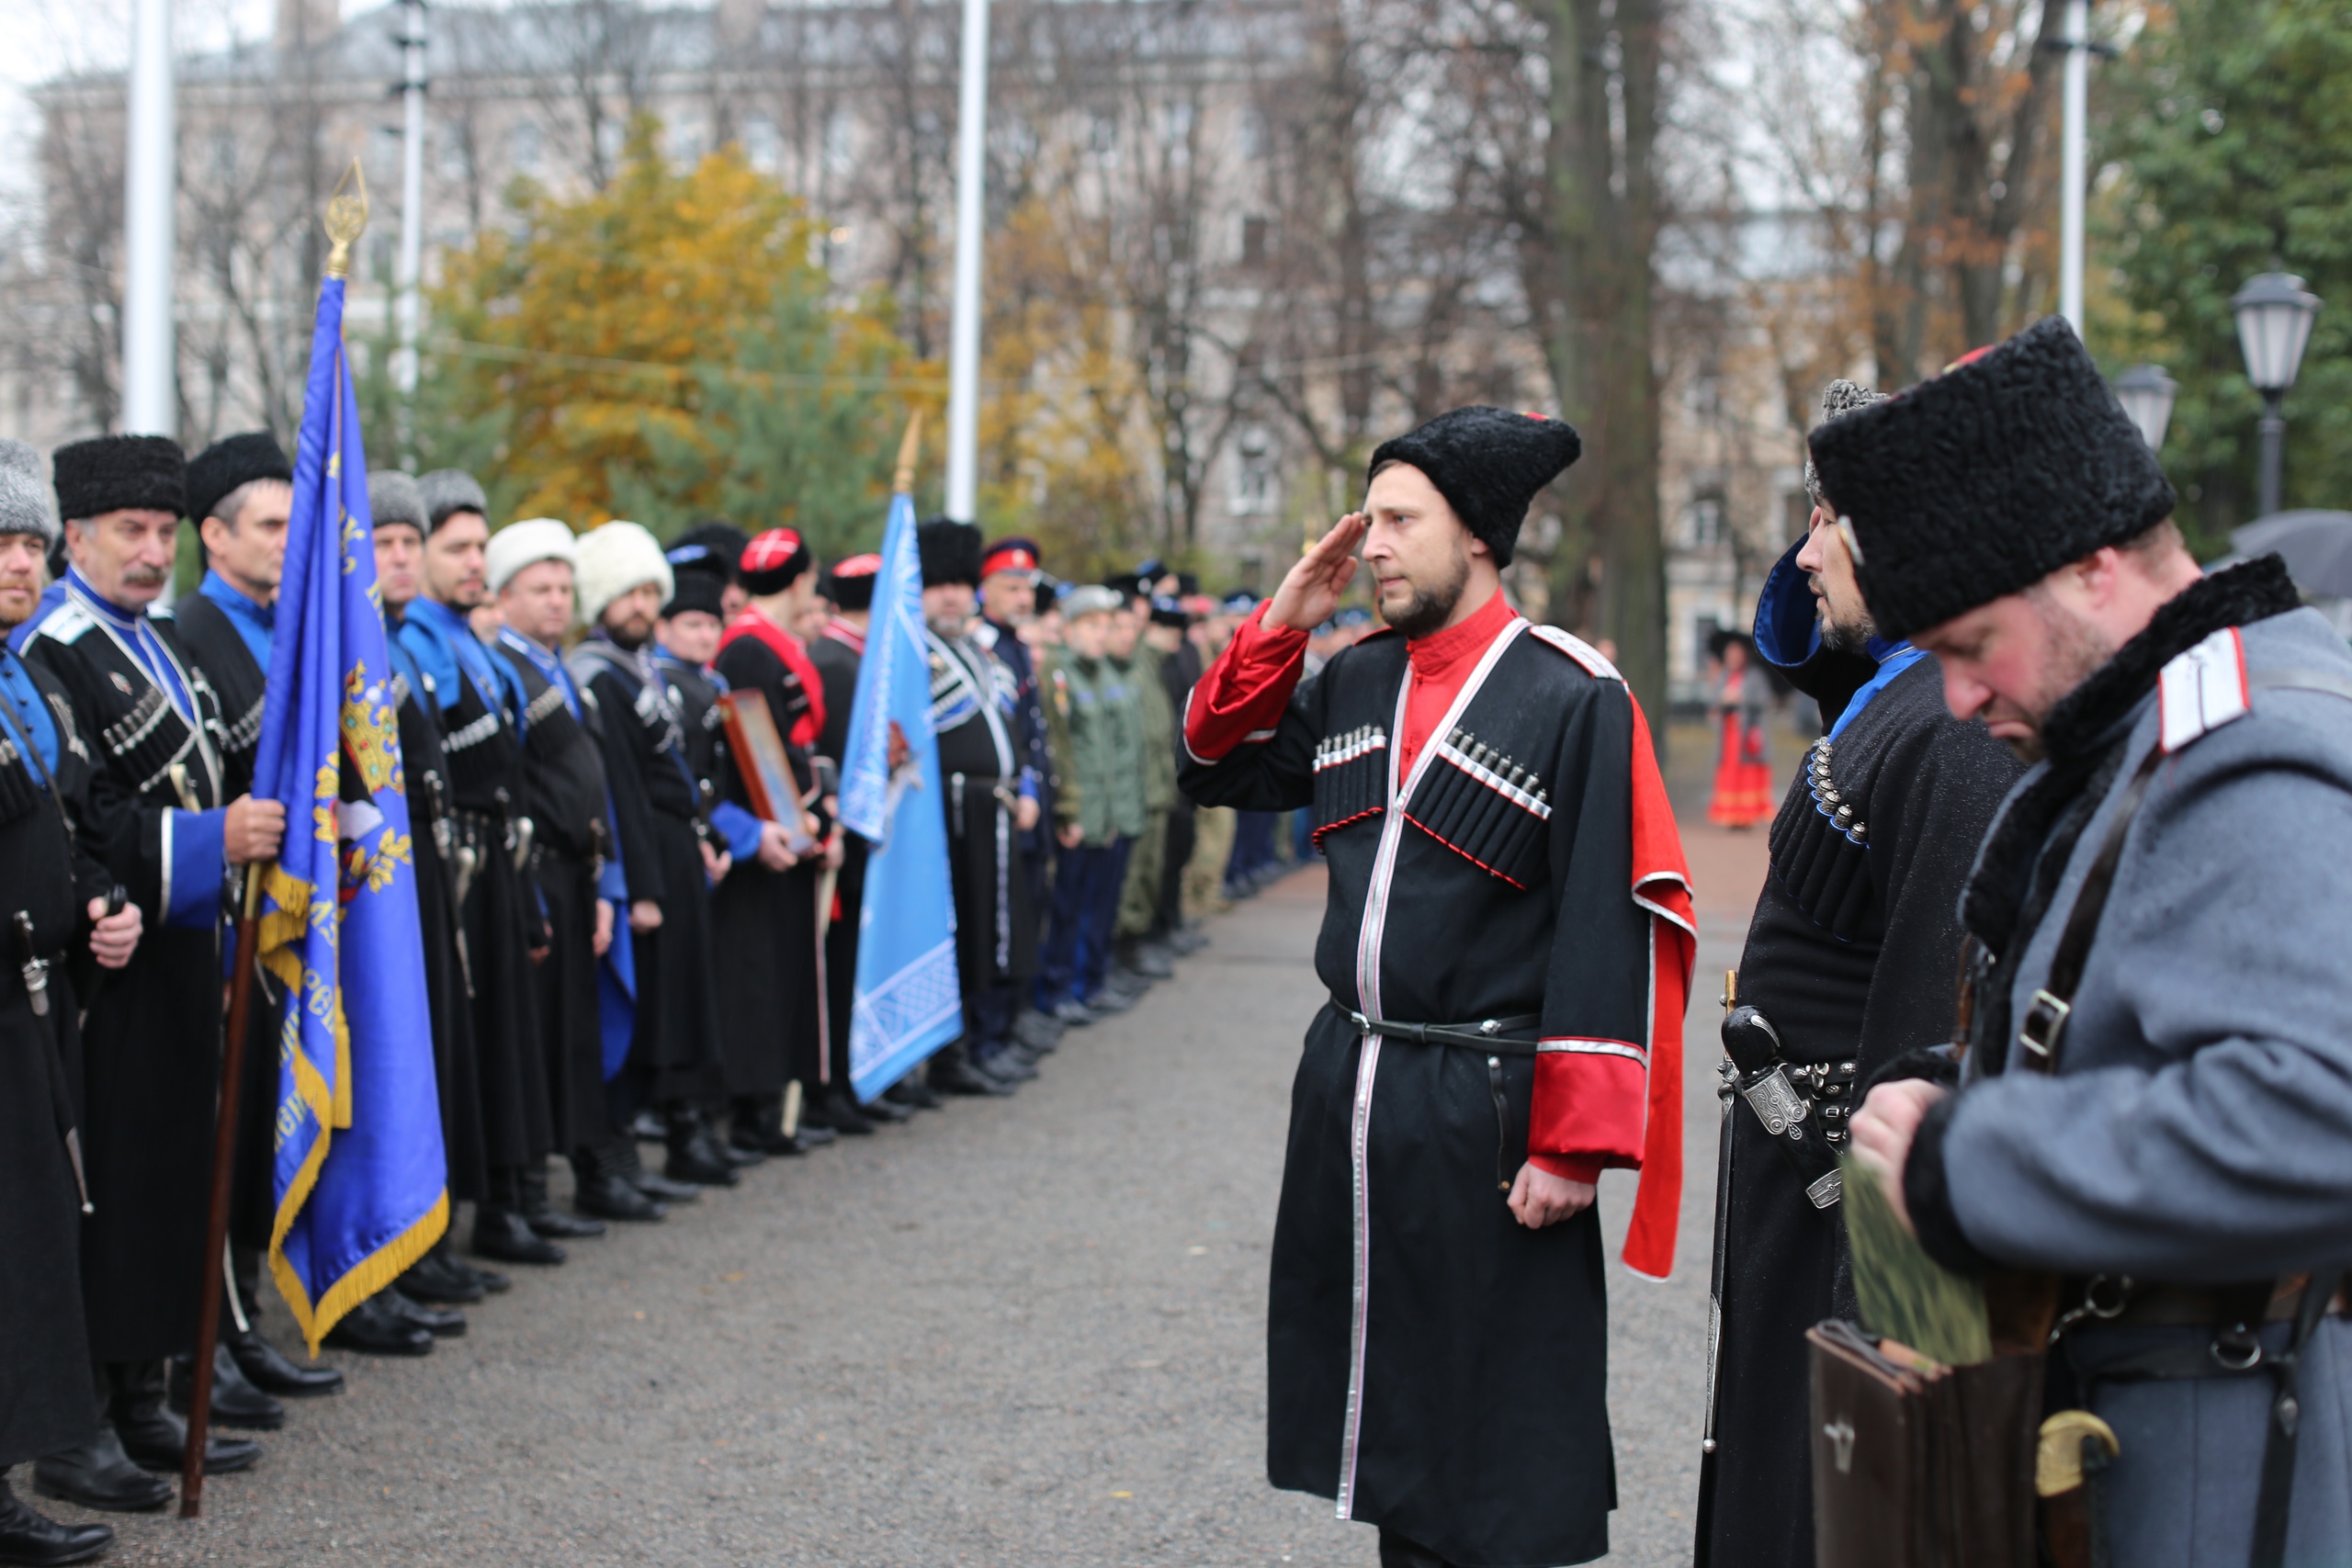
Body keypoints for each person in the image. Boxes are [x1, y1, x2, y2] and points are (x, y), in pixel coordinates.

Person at [1835, 317, 2352, 1568]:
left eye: (1970, 645)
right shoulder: (2154, 734)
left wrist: (1974, 1157)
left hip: (2208, 1478)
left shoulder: (2248, 750)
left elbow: (2319, 1113)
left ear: (2095, 566)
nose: (1957, 695)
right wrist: (1967, 1089)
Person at [1180, 406, 1693, 1568]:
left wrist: (1573, 1144)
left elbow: (1601, 926)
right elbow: (1213, 769)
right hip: (1356, 1087)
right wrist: (1278, 629)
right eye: (1370, 523)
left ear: (1477, 539)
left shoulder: (1574, 695)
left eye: (1400, 521)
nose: (1371, 546)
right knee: (1391, 1417)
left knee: (1496, 1436)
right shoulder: (1354, 676)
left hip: (1491, 1106)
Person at [1693, 382, 2022, 1568]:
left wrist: (1899, 1314)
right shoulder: (1893, 686)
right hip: (1794, 1175)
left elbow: (1928, 1024)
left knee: (1843, 1481)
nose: (1805, 547)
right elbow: (1806, 638)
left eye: (1829, 517)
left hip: (1846, 1188)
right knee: (1772, 1452)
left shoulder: (1945, 724)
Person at [16, 434, 271, 1498]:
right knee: (115, 1185)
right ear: (73, 536)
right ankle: (99, 1415)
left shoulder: (160, 639)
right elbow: (93, 815)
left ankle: (146, 1397)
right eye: (130, 530)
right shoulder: (56, 646)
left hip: (179, 944)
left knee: (172, 1171)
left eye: (164, 532)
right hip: (107, 960)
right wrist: (215, 843)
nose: (150, 551)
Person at [164, 431, 340, 1422]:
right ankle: (211, 1342)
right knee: (220, 1142)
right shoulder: (194, 631)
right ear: (215, 536)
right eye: (271, 525)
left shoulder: (287, 627)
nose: (288, 541)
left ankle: (246, 1319)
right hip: (227, 929)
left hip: (296, 926)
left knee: (265, 1129)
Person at [0, 439, 147, 1557]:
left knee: (31, 1242)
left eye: (27, 543)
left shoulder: (25, 677)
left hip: (35, 1001)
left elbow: (68, 814)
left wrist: (100, 893)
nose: (16, 563)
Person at [398, 470, 561, 1269]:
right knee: (449, 1047)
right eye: (454, 547)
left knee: (501, 1039)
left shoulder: (470, 639)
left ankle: (504, 1204)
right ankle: (432, 1238)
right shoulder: (411, 640)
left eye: (479, 546)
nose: (473, 562)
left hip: (497, 858)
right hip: (448, 862)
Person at [565, 523, 745, 1188]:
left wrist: (702, 837)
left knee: (684, 998)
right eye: (627, 594)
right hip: (642, 856)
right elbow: (622, 789)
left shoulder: (643, 672)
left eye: (649, 592)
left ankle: (682, 1132)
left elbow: (676, 777)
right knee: (643, 1004)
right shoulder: (599, 675)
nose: (641, 605)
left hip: (674, 849)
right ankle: (618, 1156)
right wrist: (637, 884)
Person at [367, 470, 505, 1322]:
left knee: (434, 1057)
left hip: (426, 867)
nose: (402, 557)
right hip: (375, 881)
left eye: (410, 541)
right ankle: (385, 1257)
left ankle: (425, 1243)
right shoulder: (355, 638)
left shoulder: (408, 638)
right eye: (385, 542)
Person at [711, 528, 829, 1156]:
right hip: (767, 829)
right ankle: (756, 1106)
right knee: (757, 969)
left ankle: (781, 1098)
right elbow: (758, 751)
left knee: (785, 962)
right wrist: (794, 820)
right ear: (801, 578)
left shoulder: (767, 643)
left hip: (792, 821)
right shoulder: (751, 649)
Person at [916, 519, 1040, 1094]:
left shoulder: (980, 653)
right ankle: (953, 1054)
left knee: (994, 930)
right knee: (962, 931)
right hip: (951, 811)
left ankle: (979, 1042)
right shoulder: (916, 654)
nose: (951, 594)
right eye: (939, 584)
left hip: (992, 809)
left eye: (960, 583)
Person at [800, 552, 922, 1120]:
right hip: (845, 836)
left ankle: (869, 1070)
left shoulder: (864, 656)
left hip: (874, 832)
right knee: (842, 961)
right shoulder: (835, 657)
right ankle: (837, 1088)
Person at [1034, 584, 1147, 1028]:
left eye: (1106, 625)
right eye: (1092, 625)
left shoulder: (1107, 674)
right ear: (1070, 628)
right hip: (1081, 816)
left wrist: (1123, 811)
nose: (1102, 634)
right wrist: (1069, 811)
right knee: (1068, 908)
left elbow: (1121, 751)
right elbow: (1060, 751)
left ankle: (1092, 981)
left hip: (1112, 813)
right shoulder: (1059, 676)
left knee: (1102, 903)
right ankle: (1059, 988)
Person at [975, 536, 1062, 1056]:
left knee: (1028, 910)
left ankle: (1013, 1018)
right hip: (1002, 807)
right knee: (1001, 920)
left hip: (1031, 804)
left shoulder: (1012, 642)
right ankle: (990, 1032)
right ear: (984, 589)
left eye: (1027, 586)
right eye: (1011, 587)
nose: (1023, 597)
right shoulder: (983, 644)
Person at [1705, 632, 1774, 829]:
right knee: (1730, 772)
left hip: (1747, 734)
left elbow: (1765, 701)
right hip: (1728, 736)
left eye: (1736, 655)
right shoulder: (1722, 677)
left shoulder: (1755, 676)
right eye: (1729, 655)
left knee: (1748, 772)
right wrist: (1723, 700)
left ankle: (1747, 815)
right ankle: (1730, 814)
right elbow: (1713, 702)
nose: (1732, 659)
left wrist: (1743, 699)